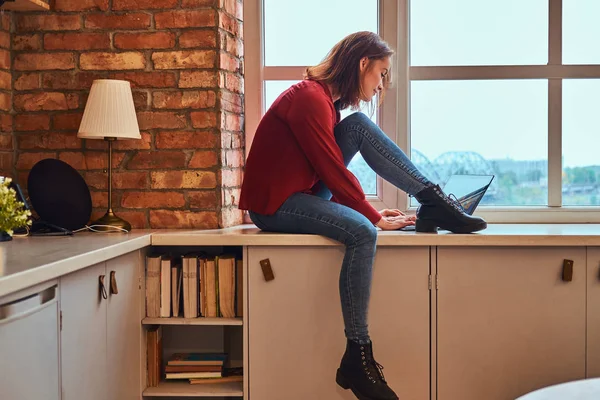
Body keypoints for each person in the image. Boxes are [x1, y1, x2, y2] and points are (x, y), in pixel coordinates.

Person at [239, 31, 486, 400]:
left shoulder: (325, 102)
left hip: (300, 194)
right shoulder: (309, 98)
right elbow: (333, 171)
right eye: (381, 73)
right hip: (274, 205)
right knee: (362, 233)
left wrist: (368, 210)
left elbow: (329, 172)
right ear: (362, 64)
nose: (382, 83)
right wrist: (370, 216)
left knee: (356, 126)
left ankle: (431, 198)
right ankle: (357, 354)